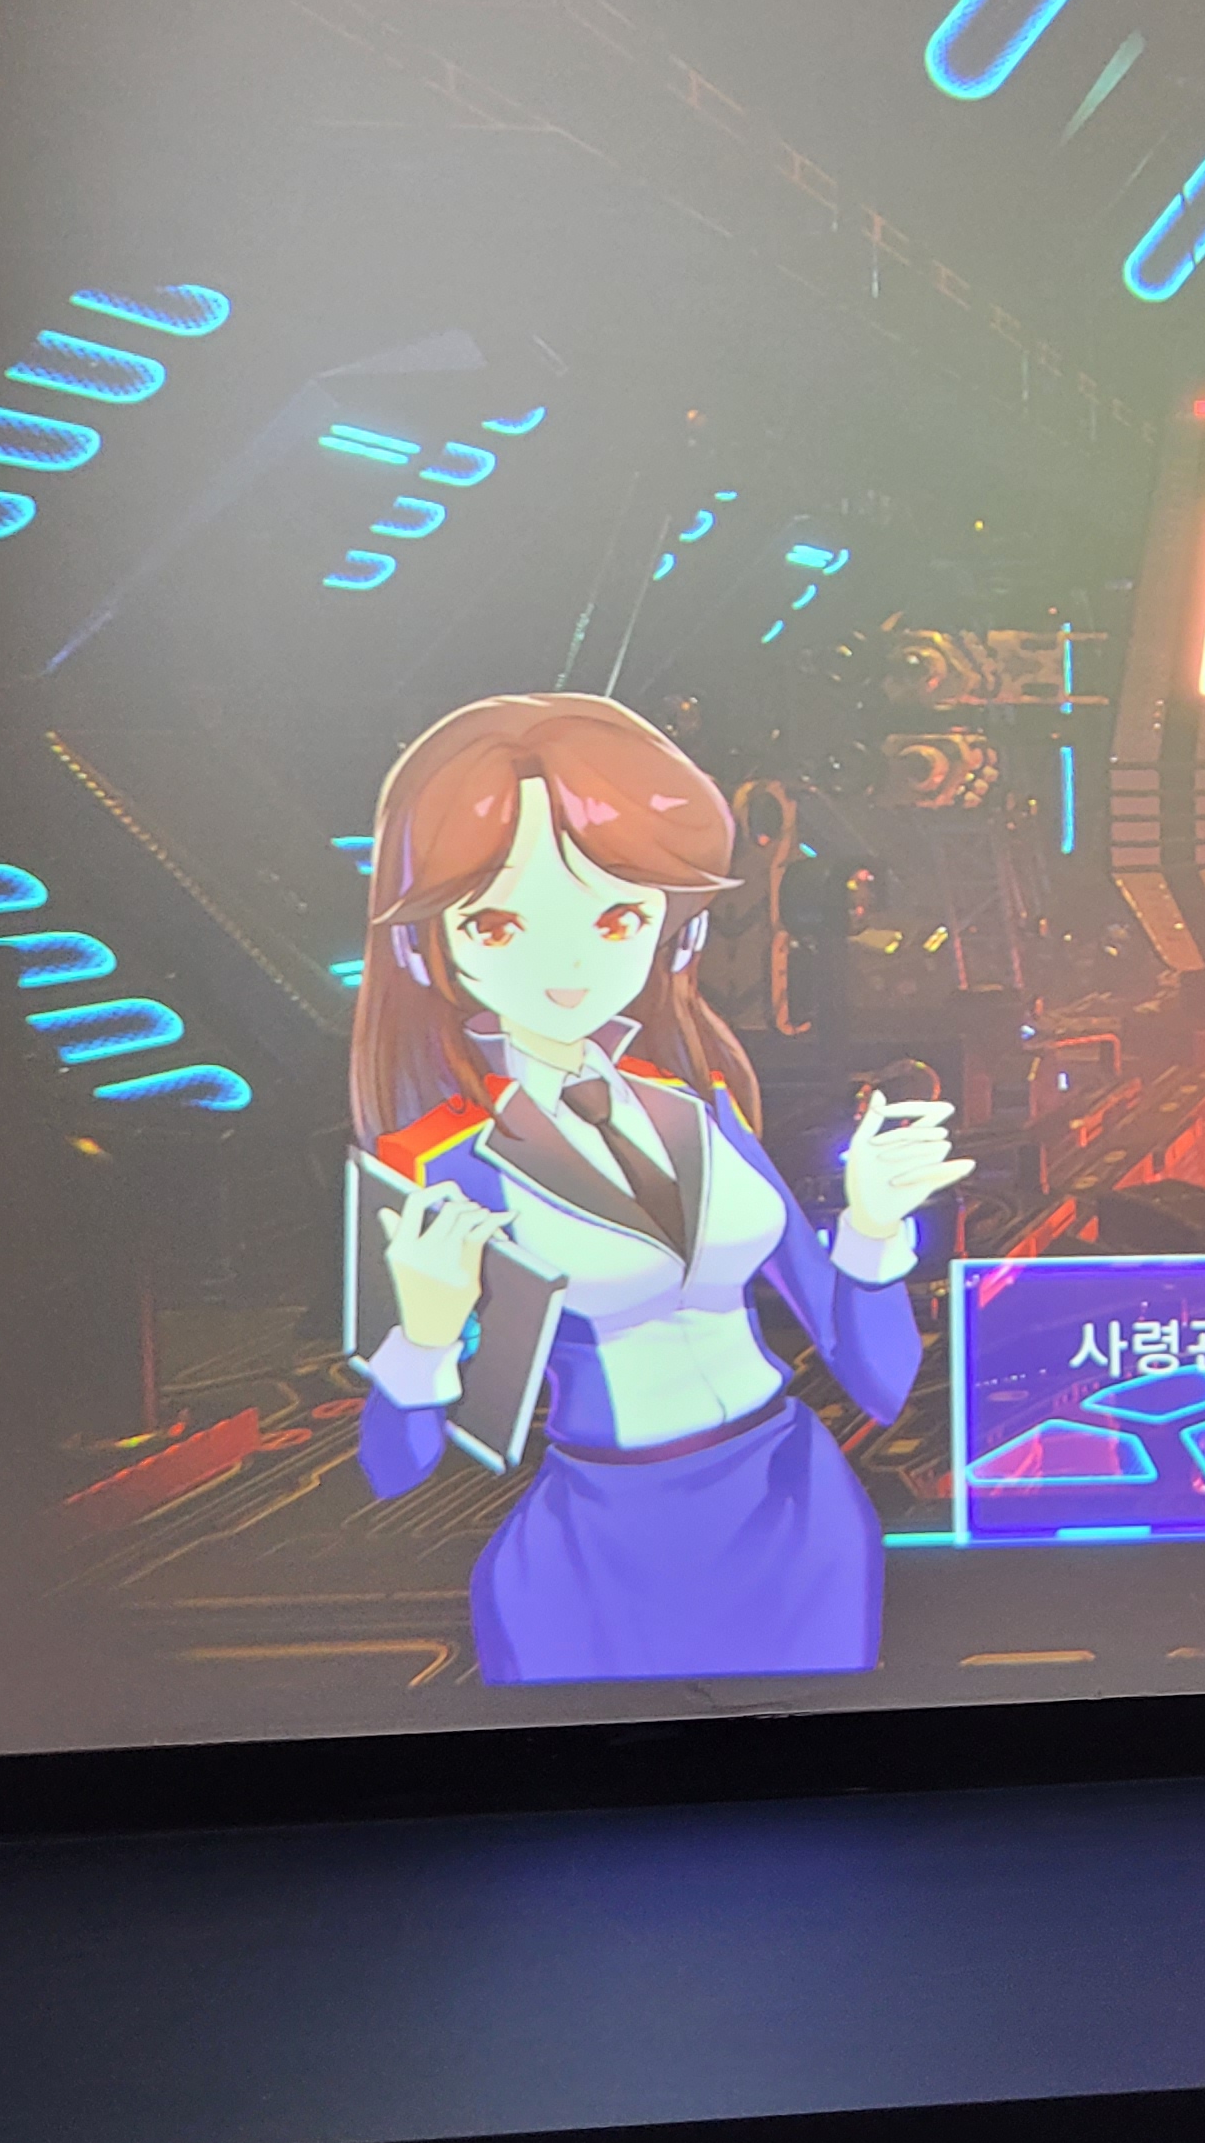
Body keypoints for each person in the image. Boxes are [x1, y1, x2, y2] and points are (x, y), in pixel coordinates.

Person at [345, 693, 969, 1682]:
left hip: (800, 1510)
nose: (569, 962)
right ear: (427, 943)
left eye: (617, 915)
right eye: (499, 924)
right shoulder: (438, 1165)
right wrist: (423, 1340)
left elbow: (877, 1378)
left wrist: (871, 1228)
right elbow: (392, 1471)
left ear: (673, 931)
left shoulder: (702, 1107)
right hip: (602, 1545)